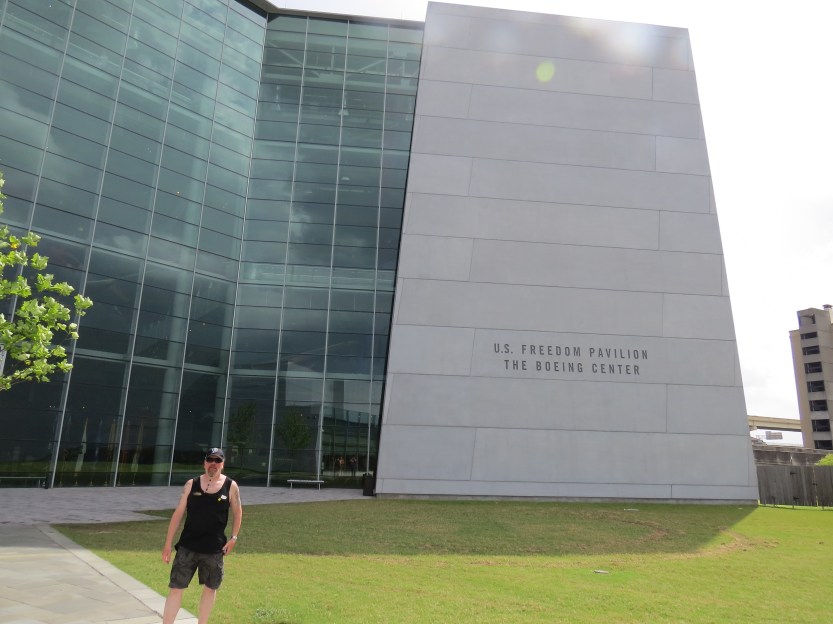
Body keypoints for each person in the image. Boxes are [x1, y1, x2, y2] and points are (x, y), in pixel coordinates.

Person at [161, 448, 242, 624]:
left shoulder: (231, 486)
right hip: (187, 547)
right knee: (175, 588)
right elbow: (178, 514)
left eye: (217, 460)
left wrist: (234, 538)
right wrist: (167, 544)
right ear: (204, 462)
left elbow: (238, 512)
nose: (213, 463)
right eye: (210, 459)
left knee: (210, 588)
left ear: (222, 464)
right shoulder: (191, 484)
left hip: (214, 549)